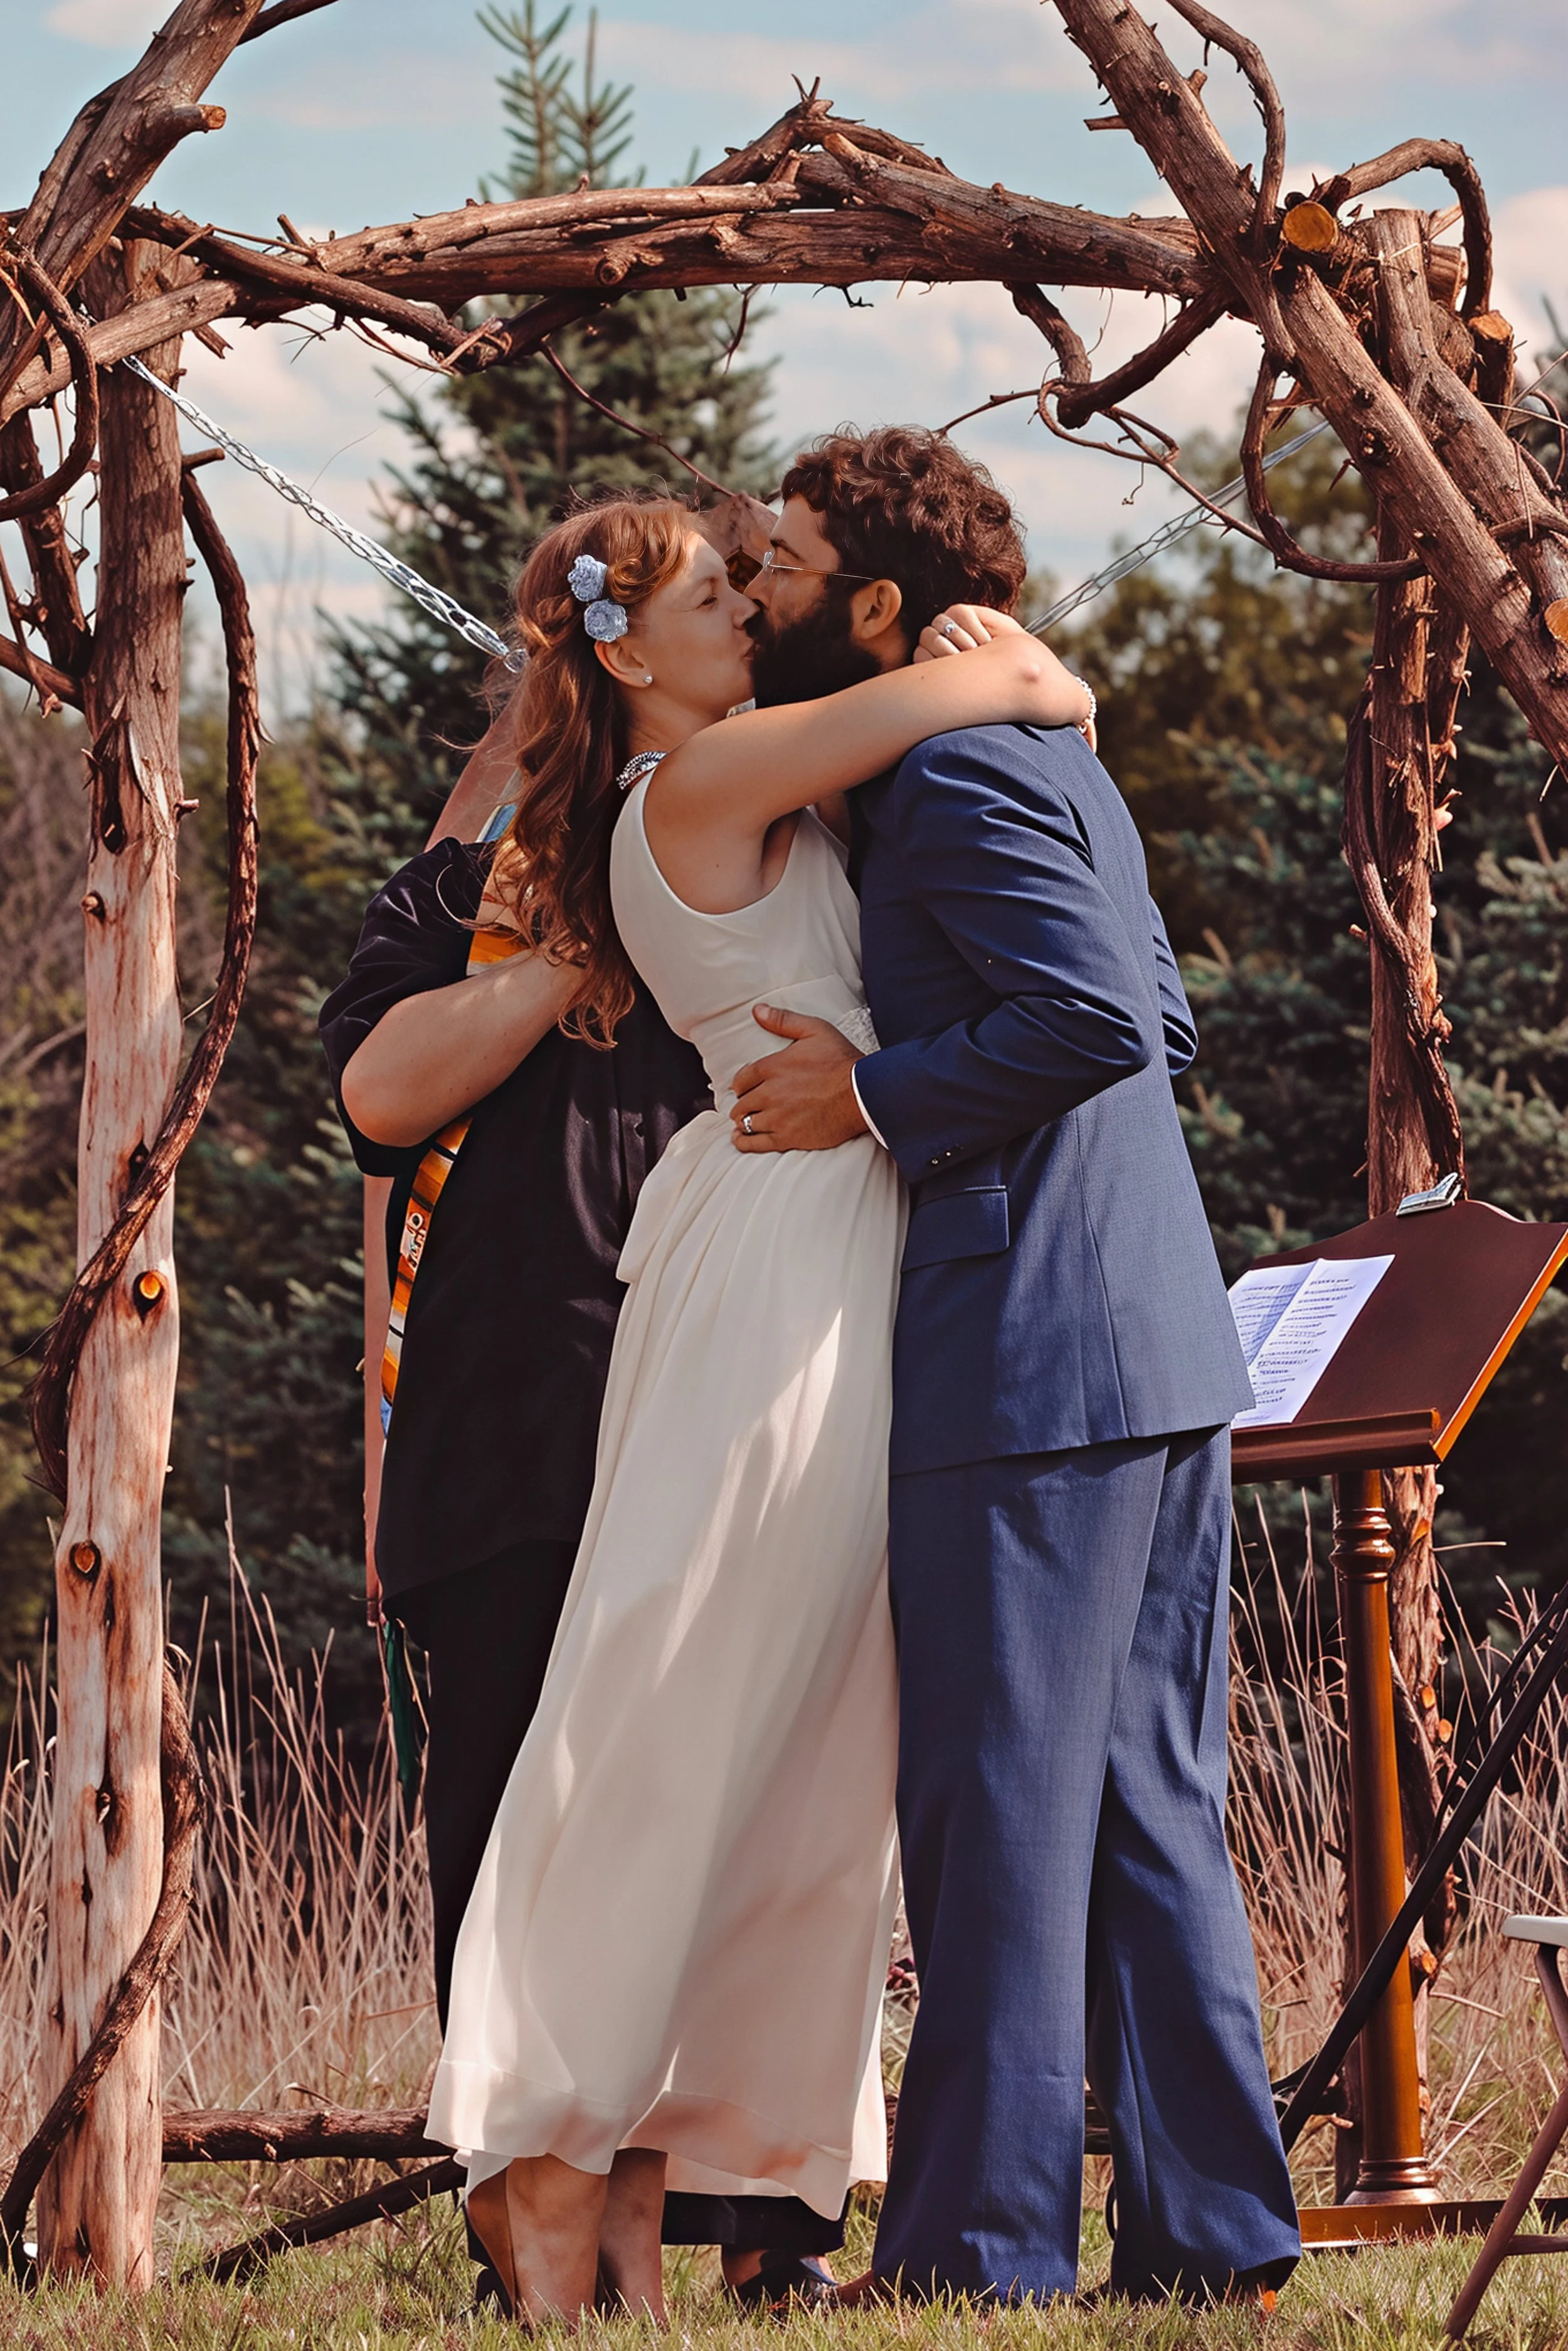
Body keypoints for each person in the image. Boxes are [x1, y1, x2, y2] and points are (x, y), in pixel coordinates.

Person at [423, 489, 1094, 2325]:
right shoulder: (696, 784)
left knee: (793, 1727)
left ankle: (635, 2155)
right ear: (625, 653)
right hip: (779, 1259)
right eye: (720, 596)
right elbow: (1014, 682)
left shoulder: (742, 773)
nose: (746, 614)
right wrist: (1011, 665)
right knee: (682, 1687)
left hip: (818, 1230)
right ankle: (544, 2148)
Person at [728, 426, 1301, 2305]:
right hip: (1153, 1339)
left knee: (993, 1810)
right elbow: (1166, 1011)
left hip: (1031, 1351)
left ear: (877, 608)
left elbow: (1093, 1021)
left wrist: (866, 1094)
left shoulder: (960, 767)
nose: (758, 595)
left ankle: (978, 2252)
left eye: (788, 569)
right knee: (1143, 1803)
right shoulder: (1034, 751)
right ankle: (1211, 2237)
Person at [317, 677, 863, 2310]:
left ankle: (763, 2220)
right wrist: (575, 938)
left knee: (761, 1813)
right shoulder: (472, 889)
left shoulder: (793, 857)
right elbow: (376, 1095)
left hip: (747, 1403)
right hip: (527, 1430)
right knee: (523, 1836)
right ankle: (537, 2225)